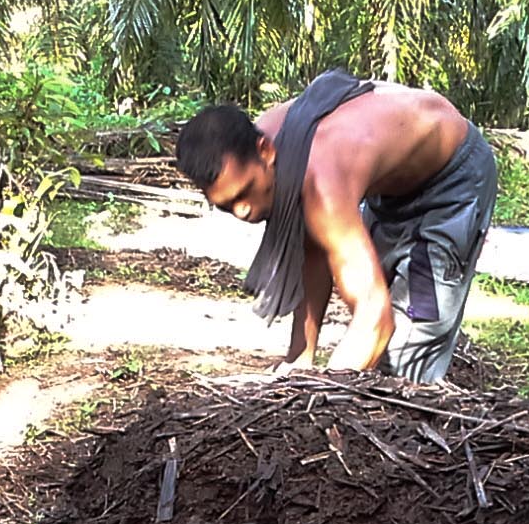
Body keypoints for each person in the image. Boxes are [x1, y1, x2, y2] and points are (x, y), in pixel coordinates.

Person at [174, 72, 496, 383]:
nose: (242, 211)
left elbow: (375, 315)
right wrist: (300, 359)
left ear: (265, 151)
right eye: (227, 205)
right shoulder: (258, 146)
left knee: (406, 355)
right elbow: (312, 248)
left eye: (244, 192)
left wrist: (326, 391)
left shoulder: (321, 179)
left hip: (451, 184)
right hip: (390, 193)